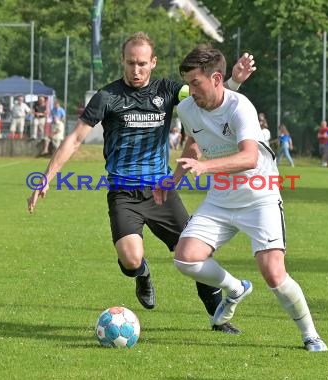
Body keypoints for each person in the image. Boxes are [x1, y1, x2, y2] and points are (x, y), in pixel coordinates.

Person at [27, 32, 256, 334]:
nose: (136, 70)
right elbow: (75, 138)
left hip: (161, 190)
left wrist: (235, 82)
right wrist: (48, 176)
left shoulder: (170, 90)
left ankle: (218, 316)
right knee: (131, 258)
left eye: (143, 64)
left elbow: (210, 95)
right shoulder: (107, 97)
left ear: (153, 63)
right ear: (122, 61)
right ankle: (142, 274)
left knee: (199, 254)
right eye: (131, 63)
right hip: (123, 193)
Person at [154, 45, 327, 352]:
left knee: (273, 272)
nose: (190, 90)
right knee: (185, 257)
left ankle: (310, 334)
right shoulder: (187, 109)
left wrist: (205, 167)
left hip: (259, 196)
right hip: (220, 199)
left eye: (196, 83)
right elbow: (195, 143)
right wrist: (172, 180)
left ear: (216, 78)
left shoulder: (241, 106)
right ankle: (235, 289)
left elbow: (249, 157)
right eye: (188, 83)